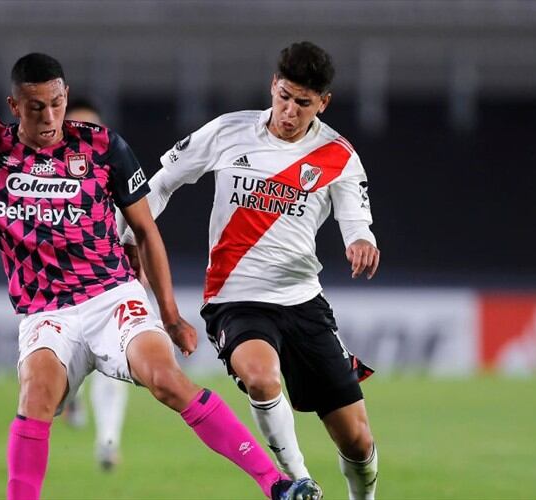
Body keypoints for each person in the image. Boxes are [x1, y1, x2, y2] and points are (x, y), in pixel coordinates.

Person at [0, 19, 319, 500]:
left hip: (112, 297)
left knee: (168, 380)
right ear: (14, 106)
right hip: (45, 312)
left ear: (65, 96)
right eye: (35, 108)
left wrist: (171, 316)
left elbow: (146, 230)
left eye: (56, 103)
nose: (48, 117)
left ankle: (276, 484)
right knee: (36, 399)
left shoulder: (100, 146)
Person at [119, 41, 380, 500]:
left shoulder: (338, 154)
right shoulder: (228, 131)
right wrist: (126, 237)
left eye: (303, 103)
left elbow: (356, 219)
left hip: (302, 301)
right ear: (272, 87)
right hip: (234, 298)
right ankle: (299, 482)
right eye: (283, 96)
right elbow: (161, 182)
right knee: (260, 377)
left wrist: (362, 240)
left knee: (357, 440)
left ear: (323, 103)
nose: (289, 111)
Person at [60, 97, 131, 472]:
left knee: (114, 362)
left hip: (108, 288)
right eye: (77, 129)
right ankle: (71, 396)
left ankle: (108, 442)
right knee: (62, 369)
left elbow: (138, 228)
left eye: (94, 129)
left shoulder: (115, 171)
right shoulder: (38, 181)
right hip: (55, 295)